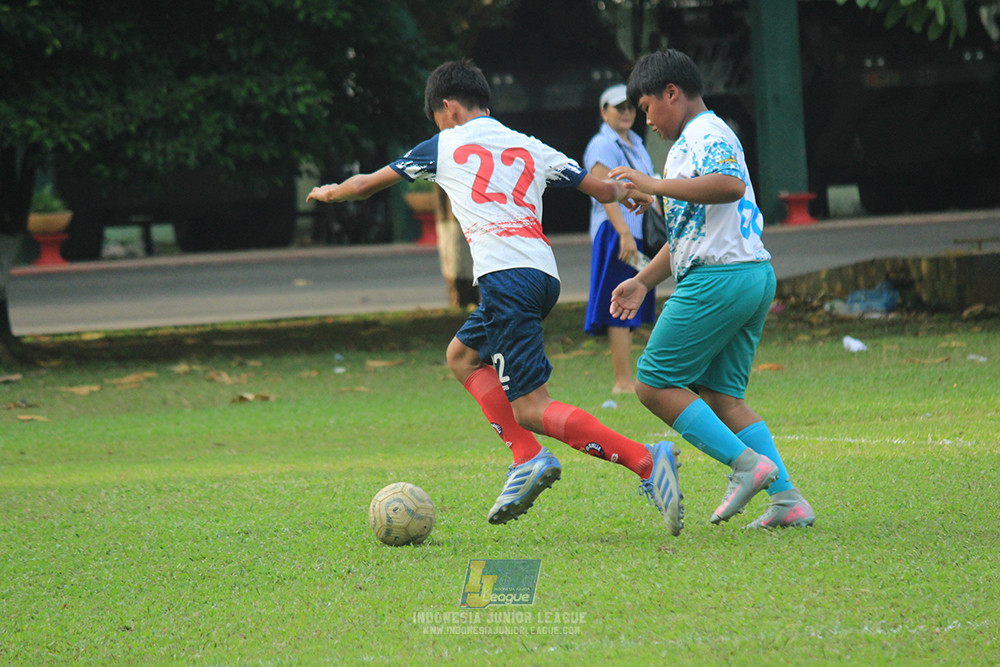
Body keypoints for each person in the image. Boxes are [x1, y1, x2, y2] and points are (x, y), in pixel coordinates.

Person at [307, 59, 683, 535]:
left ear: (448, 108)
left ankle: (647, 461)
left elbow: (364, 186)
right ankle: (525, 455)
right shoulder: (530, 145)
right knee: (462, 356)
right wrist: (629, 192)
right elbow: (601, 187)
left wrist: (332, 192)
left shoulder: (443, 144)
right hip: (542, 276)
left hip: (505, 278)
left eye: (438, 118)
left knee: (531, 407)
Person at [608, 49, 815, 529]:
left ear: (672, 94)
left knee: (654, 382)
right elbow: (691, 236)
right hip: (748, 275)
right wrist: (642, 280)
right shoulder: (689, 144)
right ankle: (787, 500)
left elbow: (728, 186)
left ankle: (747, 466)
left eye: (647, 108)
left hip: (720, 279)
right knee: (723, 395)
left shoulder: (706, 132)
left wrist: (655, 184)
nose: (648, 122)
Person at [582, 84, 659, 395]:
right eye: (619, 108)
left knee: (634, 301)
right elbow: (605, 194)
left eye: (630, 107)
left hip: (636, 232)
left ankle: (631, 378)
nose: (627, 113)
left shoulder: (636, 142)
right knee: (619, 304)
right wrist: (624, 233)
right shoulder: (602, 145)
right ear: (604, 112)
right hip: (617, 232)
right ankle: (623, 381)